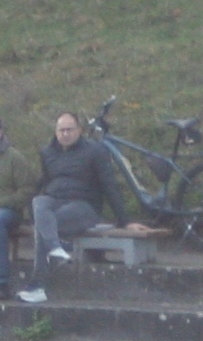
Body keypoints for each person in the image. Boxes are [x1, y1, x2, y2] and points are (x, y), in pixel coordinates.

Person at [4, 111, 126, 305]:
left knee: (44, 226)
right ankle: (55, 247)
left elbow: (109, 184)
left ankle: (38, 286)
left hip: (84, 206)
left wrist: (124, 220)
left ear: (79, 130)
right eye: (61, 130)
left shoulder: (95, 151)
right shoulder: (48, 153)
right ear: (56, 131)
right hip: (55, 201)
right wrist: (30, 209)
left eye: (70, 129)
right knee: (39, 202)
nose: (65, 134)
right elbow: (43, 182)